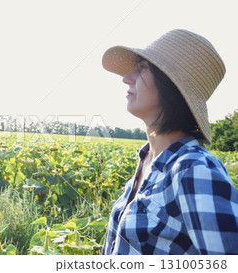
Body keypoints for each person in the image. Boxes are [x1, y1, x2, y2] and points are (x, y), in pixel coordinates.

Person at [101, 29, 238, 254]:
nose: (126, 77)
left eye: (142, 68)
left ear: (170, 85)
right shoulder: (147, 161)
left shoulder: (194, 169)